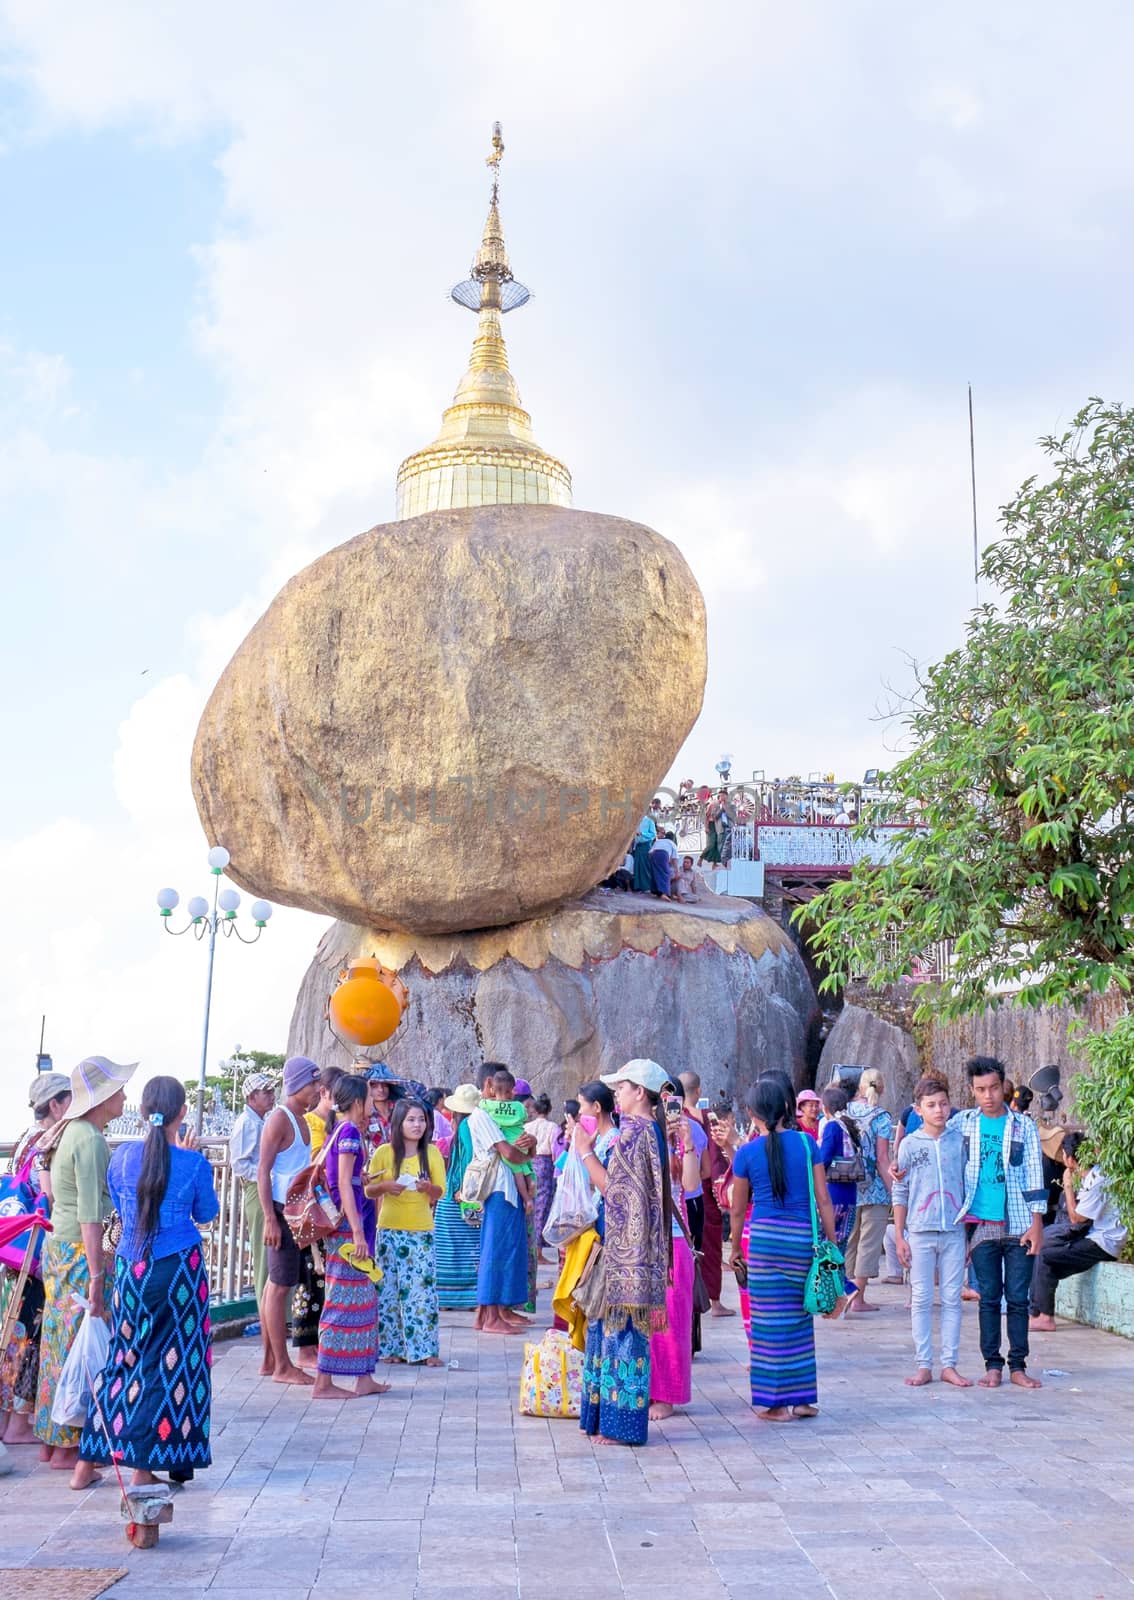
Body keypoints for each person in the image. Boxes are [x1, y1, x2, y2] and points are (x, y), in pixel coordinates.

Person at [75, 1075, 219, 1490]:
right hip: (177, 1273)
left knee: (124, 1357)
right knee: (168, 1364)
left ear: (142, 1112)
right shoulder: (192, 1164)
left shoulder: (121, 1158)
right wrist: (189, 1158)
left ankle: (87, 1463)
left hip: (130, 1271)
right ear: (183, 1113)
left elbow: (121, 1208)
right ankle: (143, 1467)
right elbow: (206, 1213)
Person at [34, 1055, 135, 1472]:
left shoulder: (67, 1132)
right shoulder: (90, 1139)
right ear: (103, 1096)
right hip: (81, 1253)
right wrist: (97, 1275)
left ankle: (53, 1441)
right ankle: (74, 1445)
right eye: (120, 1089)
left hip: (60, 1249)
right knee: (83, 1344)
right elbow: (90, 1214)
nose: (126, 1096)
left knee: (60, 1344)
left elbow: (61, 1200)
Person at [728, 1076, 842, 1420]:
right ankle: (804, 1400)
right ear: (788, 1109)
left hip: (763, 1242)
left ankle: (775, 1404)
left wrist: (735, 1249)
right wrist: (832, 1242)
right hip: (800, 1242)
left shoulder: (747, 1153)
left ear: (752, 1114)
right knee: (799, 1320)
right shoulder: (808, 1146)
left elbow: (737, 1207)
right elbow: (823, 1199)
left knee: (767, 1324)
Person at [576, 1059, 672, 1447]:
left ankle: (622, 1426)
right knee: (611, 1334)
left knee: (623, 1338)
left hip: (628, 1258)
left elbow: (615, 1193)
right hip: (630, 1255)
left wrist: (584, 1153)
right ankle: (606, 1421)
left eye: (622, 1086)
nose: (616, 1093)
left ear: (639, 1092)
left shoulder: (635, 1134)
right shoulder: (647, 1132)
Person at [954, 1056, 1046, 1389]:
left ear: (1003, 1086)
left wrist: (1037, 1223)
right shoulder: (963, 1124)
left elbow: (1035, 1172)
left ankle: (1018, 1366)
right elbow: (935, 1141)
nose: (988, 1095)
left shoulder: (1024, 1127)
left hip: (1020, 1222)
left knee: (1018, 1298)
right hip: (981, 1225)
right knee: (989, 1297)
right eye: (981, 1089)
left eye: (993, 1087)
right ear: (972, 1090)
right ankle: (992, 1365)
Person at [0, 1073, 72, 1449]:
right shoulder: (46, 1144)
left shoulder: (22, 1141)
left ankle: (9, 1421)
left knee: (14, 1334)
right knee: (31, 1338)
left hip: (14, 1253)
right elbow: (50, 1196)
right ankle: (18, 1425)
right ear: (56, 1105)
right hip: (36, 1254)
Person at [891, 1075, 971, 1389]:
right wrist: (900, 1235)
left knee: (952, 1299)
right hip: (920, 1232)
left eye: (943, 1104)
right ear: (918, 1110)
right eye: (931, 1105)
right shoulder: (909, 1145)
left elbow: (967, 1185)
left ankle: (949, 1364)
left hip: (953, 1231)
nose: (939, 1110)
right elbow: (900, 1191)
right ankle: (924, 1364)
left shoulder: (959, 1140)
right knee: (922, 1299)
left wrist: (967, 1234)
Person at [313, 1073, 387, 1399]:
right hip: (347, 1228)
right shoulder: (349, 1133)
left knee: (361, 1302)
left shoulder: (339, 1132)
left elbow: (343, 1177)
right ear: (357, 1101)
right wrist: (357, 1232)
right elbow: (343, 1183)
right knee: (343, 1303)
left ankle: (362, 1375)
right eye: (369, 1099)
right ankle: (323, 1382)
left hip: (344, 1226)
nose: (373, 1105)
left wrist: (362, 1175)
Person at [257, 1055, 322, 1385]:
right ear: (297, 1084)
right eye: (312, 1084)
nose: (316, 1090)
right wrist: (269, 1217)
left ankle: (272, 1360)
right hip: (282, 1212)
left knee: (279, 1285)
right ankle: (281, 1366)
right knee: (280, 1286)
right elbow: (263, 1171)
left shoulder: (302, 1119)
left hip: (297, 1211)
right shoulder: (279, 1120)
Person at [367, 1099, 446, 1365]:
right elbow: (368, 1189)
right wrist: (387, 1186)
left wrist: (426, 1188)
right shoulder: (383, 1153)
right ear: (399, 1122)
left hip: (420, 1230)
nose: (417, 1125)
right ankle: (391, 1348)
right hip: (389, 1229)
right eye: (411, 1120)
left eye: (421, 1120)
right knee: (388, 1290)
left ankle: (425, 1350)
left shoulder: (432, 1153)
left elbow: (440, 1191)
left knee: (421, 1293)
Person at [1029, 1136, 1127, 1332]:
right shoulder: (1091, 1176)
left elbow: (1076, 1218)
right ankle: (1035, 1313)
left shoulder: (1098, 1180)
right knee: (1044, 1250)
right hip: (1094, 1235)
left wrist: (1067, 1185)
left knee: (1046, 1257)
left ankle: (1044, 1317)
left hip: (1103, 1242)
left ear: (1070, 1159)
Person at [466, 1077, 535, 1333]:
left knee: (500, 1249)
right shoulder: (482, 1115)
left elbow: (518, 1149)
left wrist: (529, 1148)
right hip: (499, 1188)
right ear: (489, 1086)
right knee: (495, 1252)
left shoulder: (491, 1114)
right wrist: (527, 1154)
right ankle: (491, 1315)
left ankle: (488, 1314)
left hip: (505, 1188)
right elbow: (508, 1152)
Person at [649, 1090, 699, 1421]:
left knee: (671, 1322)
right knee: (650, 1321)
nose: (670, 1112)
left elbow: (692, 1186)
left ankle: (667, 1394)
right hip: (648, 1241)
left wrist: (687, 1142)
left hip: (675, 1241)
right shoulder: (645, 1141)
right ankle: (650, 1388)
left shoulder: (681, 1144)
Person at [228, 1071, 276, 1376]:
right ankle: (268, 1339)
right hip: (257, 1191)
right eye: (265, 1091)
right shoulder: (247, 1123)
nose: (270, 1095)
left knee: (268, 1262)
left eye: (271, 1090)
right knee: (263, 1263)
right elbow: (239, 1163)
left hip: (265, 1187)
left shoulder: (261, 1121)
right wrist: (265, 1175)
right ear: (251, 1097)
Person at [842, 1068, 894, 1313]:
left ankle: (847, 1290)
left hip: (847, 1186)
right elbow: (883, 1159)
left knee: (851, 1241)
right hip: (874, 1189)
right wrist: (894, 1190)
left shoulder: (844, 1112)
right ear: (881, 1088)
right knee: (869, 1244)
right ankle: (856, 1298)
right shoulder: (881, 1117)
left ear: (860, 1087)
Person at [434, 1085, 483, 1309]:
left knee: (450, 1245)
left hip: (456, 1192)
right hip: (461, 1192)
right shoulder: (472, 1125)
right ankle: (469, 1296)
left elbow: (466, 1161)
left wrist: (461, 1189)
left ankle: (447, 1297)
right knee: (467, 1244)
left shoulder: (464, 1126)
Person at [818, 1085, 859, 1292]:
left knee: (824, 1242)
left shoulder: (832, 1126)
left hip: (832, 1194)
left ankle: (838, 1289)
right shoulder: (848, 1126)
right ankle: (840, 1290)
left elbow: (823, 1158)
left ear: (825, 1107)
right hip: (850, 1195)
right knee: (840, 1244)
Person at [526, 1094, 559, 1263]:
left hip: (529, 1164)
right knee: (543, 1207)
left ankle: (531, 1248)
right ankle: (538, 1252)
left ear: (534, 1109)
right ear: (549, 1110)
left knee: (531, 1205)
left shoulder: (528, 1127)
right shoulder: (553, 1127)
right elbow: (556, 1151)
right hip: (545, 1166)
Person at [649, 829, 678, 898]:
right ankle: (665, 893)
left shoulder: (659, 841)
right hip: (663, 855)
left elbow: (650, 852)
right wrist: (677, 871)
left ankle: (655, 891)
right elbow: (674, 859)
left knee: (655, 873)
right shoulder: (672, 844)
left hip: (653, 854)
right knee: (666, 874)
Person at [632, 814, 657, 892]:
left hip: (645, 845)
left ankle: (646, 887)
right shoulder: (635, 821)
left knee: (645, 866)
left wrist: (642, 833)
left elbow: (653, 834)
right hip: (637, 846)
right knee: (637, 866)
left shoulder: (649, 821)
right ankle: (637, 887)